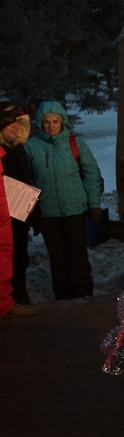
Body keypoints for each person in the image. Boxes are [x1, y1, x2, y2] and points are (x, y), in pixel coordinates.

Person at [24, 102, 103, 299]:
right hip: (48, 212)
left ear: (62, 122)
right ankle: (63, 298)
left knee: (78, 256)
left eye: (55, 121)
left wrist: (94, 204)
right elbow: (27, 180)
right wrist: (31, 212)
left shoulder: (75, 144)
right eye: (47, 122)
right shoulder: (32, 147)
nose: (51, 126)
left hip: (74, 209)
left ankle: (84, 296)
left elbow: (92, 175)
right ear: (40, 124)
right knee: (57, 258)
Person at [1, 101, 39, 308]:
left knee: (20, 256)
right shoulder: (1, 150)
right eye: (9, 123)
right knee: (7, 259)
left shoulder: (18, 149)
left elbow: (26, 183)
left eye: (17, 123)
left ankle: (19, 295)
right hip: (5, 217)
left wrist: (34, 213)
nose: (14, 126)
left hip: (19, 215)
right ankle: (9, 299)